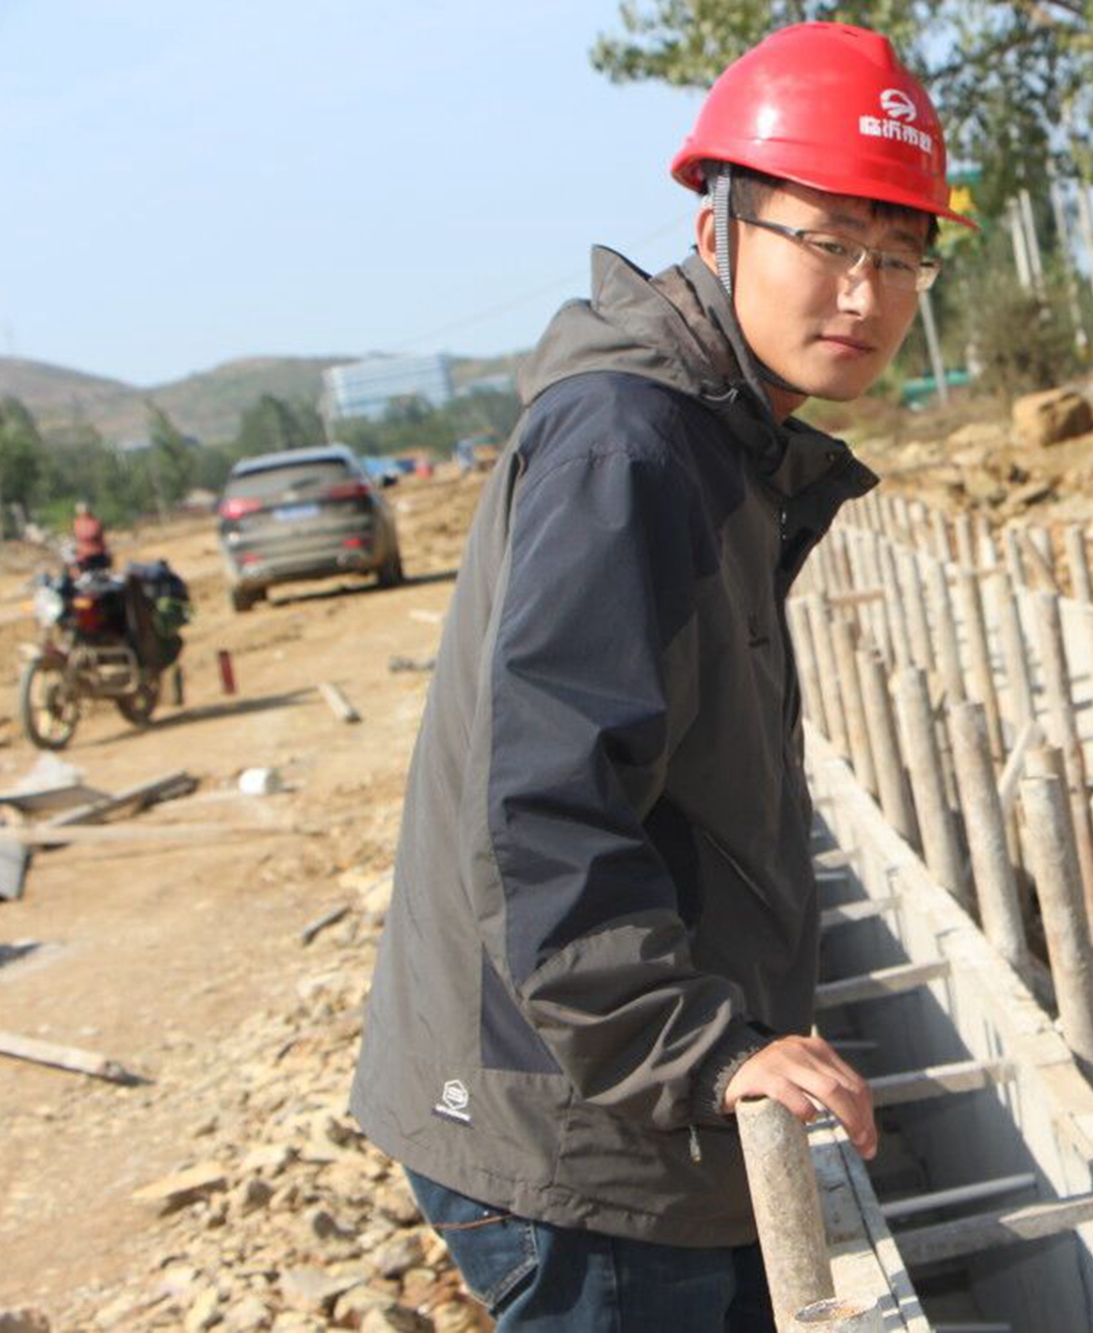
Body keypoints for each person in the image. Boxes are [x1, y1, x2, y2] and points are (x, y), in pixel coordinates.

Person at [350, 22, 973, 1331]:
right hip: (582, 1137)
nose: (866, 293)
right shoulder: (629, 447)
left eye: (901, 253)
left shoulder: (716, 436)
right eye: (829, 241)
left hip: (624, 1110)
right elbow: (544, 813)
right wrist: (709, 1051)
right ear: (717, 226)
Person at [71, 500, 109, 571]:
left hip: (97, 555)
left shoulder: (95, 522)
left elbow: (94, 534)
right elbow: (77, 536)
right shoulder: (77, 523)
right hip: (84, 556)